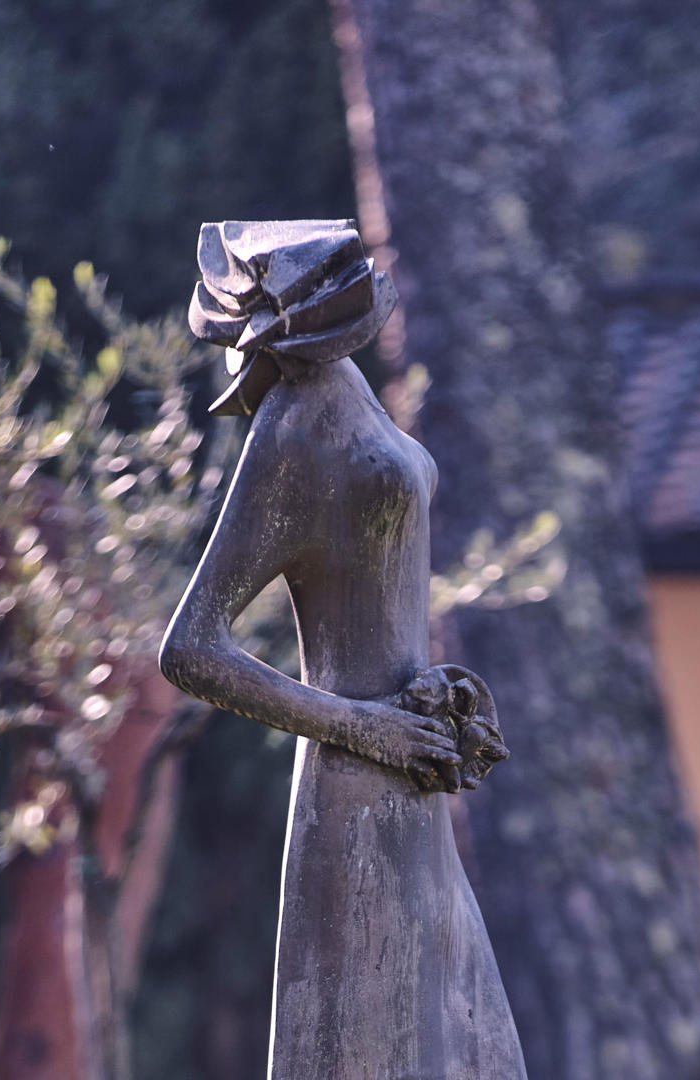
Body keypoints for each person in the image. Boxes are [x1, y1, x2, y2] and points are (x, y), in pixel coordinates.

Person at [160, 220, 525, 1080]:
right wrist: (364, 727)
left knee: (470, 1053)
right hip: (357, 785)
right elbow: (191, 648)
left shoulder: (345, 391)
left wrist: (433, 695)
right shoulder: (290, 425)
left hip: (410, 779)